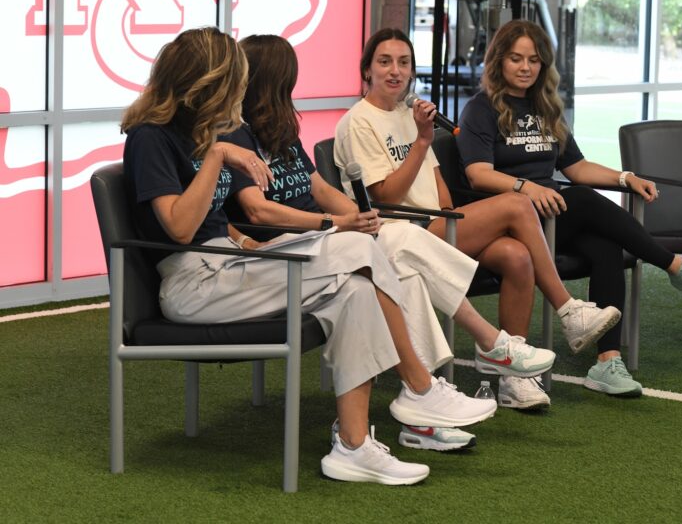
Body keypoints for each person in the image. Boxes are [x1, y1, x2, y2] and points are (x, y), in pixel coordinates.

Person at [119, 27, 498, 486]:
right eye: (231, 86)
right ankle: (419, 386)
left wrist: (248, 243)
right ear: (206, 83)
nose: (237, 99)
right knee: (360, 245)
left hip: (230, 265)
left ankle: (354, 448)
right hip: (193, 285)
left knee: (357, 291)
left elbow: (218, 221)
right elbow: (179, 227)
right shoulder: (151, 137)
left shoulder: (200, 131)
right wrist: (220, 156)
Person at [222, 34, 556, 449]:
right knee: (397, 238)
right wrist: (335, 223)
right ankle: (483, 347)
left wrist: (355, 216)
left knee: (401, 261)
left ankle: (422, 406)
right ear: (273, 80)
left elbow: (319, 186)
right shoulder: (232, 137)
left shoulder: (280, 131)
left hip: (326, 237)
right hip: (292, 251)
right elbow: (257, 213)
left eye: (403, 62)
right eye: (289, 77)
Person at [334, 27, 621, 408]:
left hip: (437, 223)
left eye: (404, 63)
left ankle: (513, 380)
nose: (395, 71)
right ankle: (569, 310)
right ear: (366, 70)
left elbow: (437, 184)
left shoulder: (407, 113)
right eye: (384, 62)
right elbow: (385, 196)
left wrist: (456, 216)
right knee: (518, 203)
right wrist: (422, 142)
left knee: (517, 256)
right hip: (399, 232)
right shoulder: (359, 121)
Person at [456, 19, 682, 396]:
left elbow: (576, 167)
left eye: (534, 60)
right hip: (508, 221)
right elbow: (478, 174)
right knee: (583, 198)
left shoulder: (546, 108)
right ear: (498, 61)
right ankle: (675, 265)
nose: (525, 68)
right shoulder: (481, 108)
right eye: (516, 59)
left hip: (551, 216)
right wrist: (526, 187)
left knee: (606, 246)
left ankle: (607, 363)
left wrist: (625, 178)